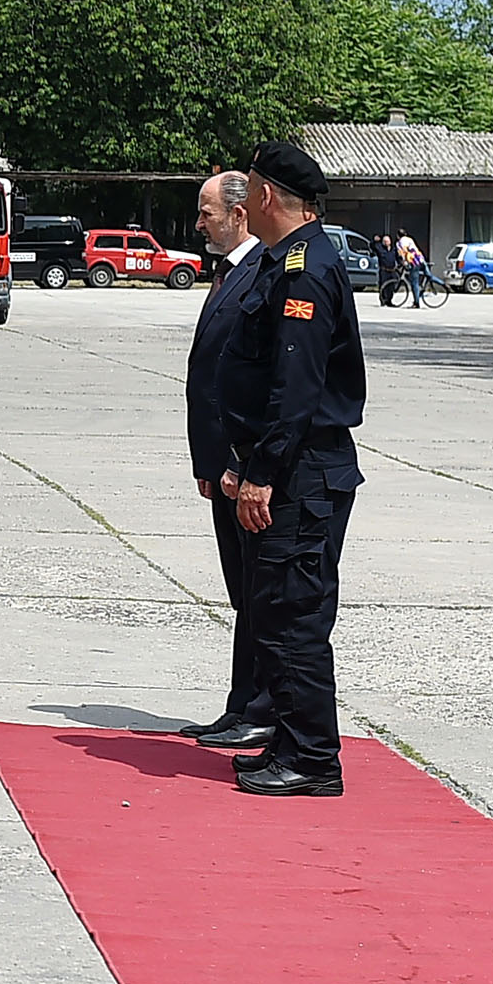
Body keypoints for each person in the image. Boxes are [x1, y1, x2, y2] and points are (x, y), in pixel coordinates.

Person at [215, 141, 366, 799]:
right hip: (287, 465)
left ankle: (312, 756)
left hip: (303, 472)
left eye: (248, 187)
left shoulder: (305, 270)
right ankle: (287, 737)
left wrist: (263, 473)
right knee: (274, 611)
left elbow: (296, 388)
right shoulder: (287, 262)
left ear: (268, 196)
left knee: (295, 613)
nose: (242, 198)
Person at [177, 170, 274, 755]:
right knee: (242, 590)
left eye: (207, 212)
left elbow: (252, 383)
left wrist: (237, 460)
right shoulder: (231, 272)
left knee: (259, 589)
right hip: (220, 463)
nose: (199, 223)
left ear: (240, 214)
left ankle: (261, 709)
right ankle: (242, 704)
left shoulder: (262, 271)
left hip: (243, 464)